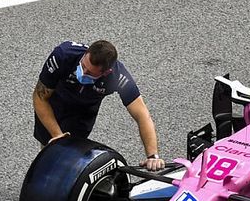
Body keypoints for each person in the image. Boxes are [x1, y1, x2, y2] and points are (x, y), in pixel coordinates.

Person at [32, 39, 166, 171]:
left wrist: (152, 155)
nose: (83, 73)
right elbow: (40, 97)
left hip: (82, 115)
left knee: (69, 158)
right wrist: (57, 136)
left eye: (89, 73)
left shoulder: (117, 76)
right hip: (54, 106)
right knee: (49, 155)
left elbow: (142, 115)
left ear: (106, 72)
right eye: (83, 66)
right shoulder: (63, 55)